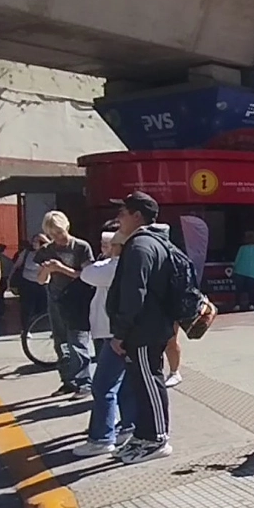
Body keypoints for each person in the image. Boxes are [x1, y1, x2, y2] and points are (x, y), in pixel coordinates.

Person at [108, 191, 177, 464]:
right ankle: (144, 434)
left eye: (123, 212)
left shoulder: (140, 246)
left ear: (137, 216)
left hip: (144, 330)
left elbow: (134, 293)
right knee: (141, 383)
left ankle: (157, 438)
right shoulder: (150, 242)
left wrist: (120, 332)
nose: (119, 218)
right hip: (146, 327)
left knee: (150, 382)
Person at [74, 227, 137, 457]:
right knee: (124, 383)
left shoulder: (115, 267)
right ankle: (128, 425)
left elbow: (87, 274)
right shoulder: (129, 266)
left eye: (110, 244)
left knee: (103, 386)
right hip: (118, 332)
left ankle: (101, 438)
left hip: (113, 333)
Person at [36, 211, 95, 398]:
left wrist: (62, 269)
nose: (58, 238)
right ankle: (68, 381)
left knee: (77, 341)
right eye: (53, 234)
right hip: (55, 298)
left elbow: (87, 275)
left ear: (66, 227)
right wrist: (47, 270)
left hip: (77, 298)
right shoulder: (46, 250)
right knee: (60, 341)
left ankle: (84, 383)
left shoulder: (81, 247)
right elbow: (40, 280)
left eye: (60, 232)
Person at [12, 235, 49, 330]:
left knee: (44, 307)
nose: (35, 243)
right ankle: (25, 329)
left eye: (38, 241)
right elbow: (17, 265)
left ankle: (45, 327)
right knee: (27, 307)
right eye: (34, 241)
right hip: (28, 283)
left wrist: (46, 242)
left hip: (44, 284)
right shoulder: (27, 252)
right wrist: (10, 279)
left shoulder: (48, 253)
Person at [232, 231, 254, 311]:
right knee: (251, 290)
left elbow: (237, 260)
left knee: (239, 289)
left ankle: (237, 305)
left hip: (240, 271)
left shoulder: (242, 248)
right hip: (252, 273)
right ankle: (252, 304)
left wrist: (234, 268)